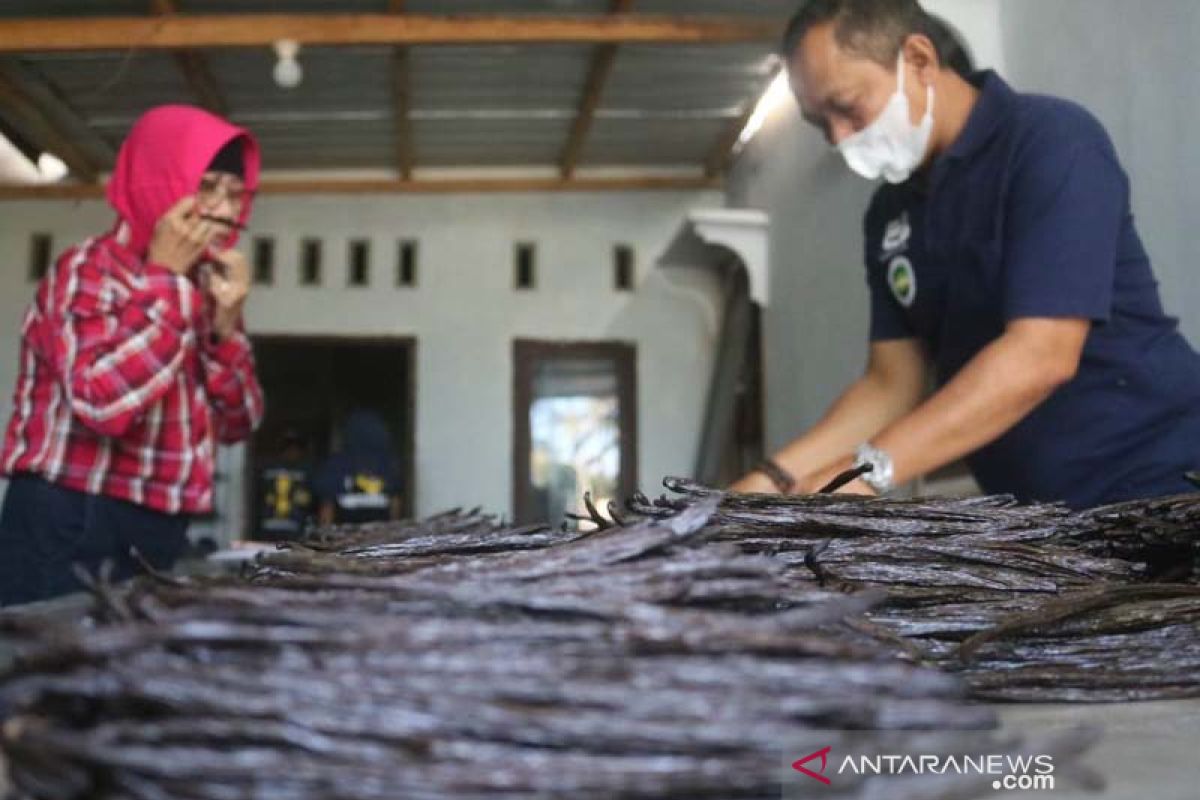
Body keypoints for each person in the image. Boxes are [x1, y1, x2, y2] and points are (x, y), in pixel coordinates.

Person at [734, 0, 1200, 510]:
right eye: (820, 123)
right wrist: (768, 483)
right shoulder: (891, 211)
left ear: (918, 60)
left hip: (1163, 479)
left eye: (846, 106)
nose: (839, 139)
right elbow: (892, 382)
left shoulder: (1049, 140)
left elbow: (1041, 354)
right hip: (1041, 512)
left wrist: (866, 471)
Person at [0, 105, 264, 605]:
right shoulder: (87, 271)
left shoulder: (208, 288)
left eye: (236, 195)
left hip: (159, 524)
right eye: (208, 187)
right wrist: (163, 280)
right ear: (158, 183)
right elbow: (104, 405)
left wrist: (226, 332)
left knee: (125, 676)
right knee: (41, 674)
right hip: (71, 516)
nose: (227, 213)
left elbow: (239, 424)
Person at [312, 410, 403, 526]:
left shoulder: (387, 464)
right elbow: (327, 505)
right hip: (355, 534)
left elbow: (327, 507)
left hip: (365, 534)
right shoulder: (338, 463)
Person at [255, 428, 315, 541]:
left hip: (295, 530)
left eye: (296, 448)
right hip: (269, 529)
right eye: (289, 448)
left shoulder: (307, 472)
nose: (292, 451)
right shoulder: (307, 472)